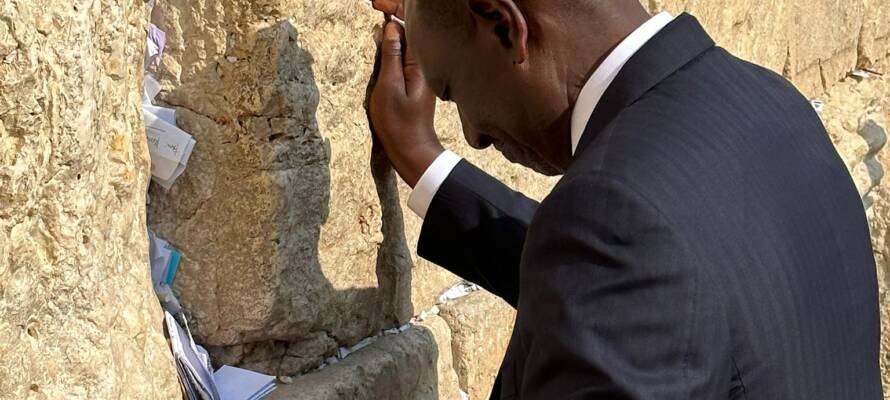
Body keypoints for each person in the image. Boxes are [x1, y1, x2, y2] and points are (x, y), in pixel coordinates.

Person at [367, 0, 882, 398]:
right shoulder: (765, 97)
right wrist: (426, 163)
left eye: (453, 89)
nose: (473, 133)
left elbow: (628, 267)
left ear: (507, 26)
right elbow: (643, 283)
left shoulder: (616, 219)